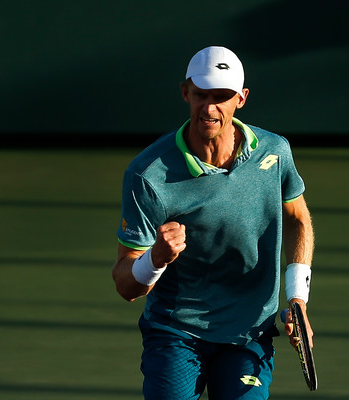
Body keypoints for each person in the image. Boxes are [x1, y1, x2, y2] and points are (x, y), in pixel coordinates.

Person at [112, 45, 315, 400]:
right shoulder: (147, 174)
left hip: (249, 333)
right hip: (176, 332)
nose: (209, 108)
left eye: (221, 97)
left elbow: (298, 218)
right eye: (201, 95)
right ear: (185, 92)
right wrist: (155, 259)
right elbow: (126, 286)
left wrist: (297, 297)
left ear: (241, 98)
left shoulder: (275, 152)